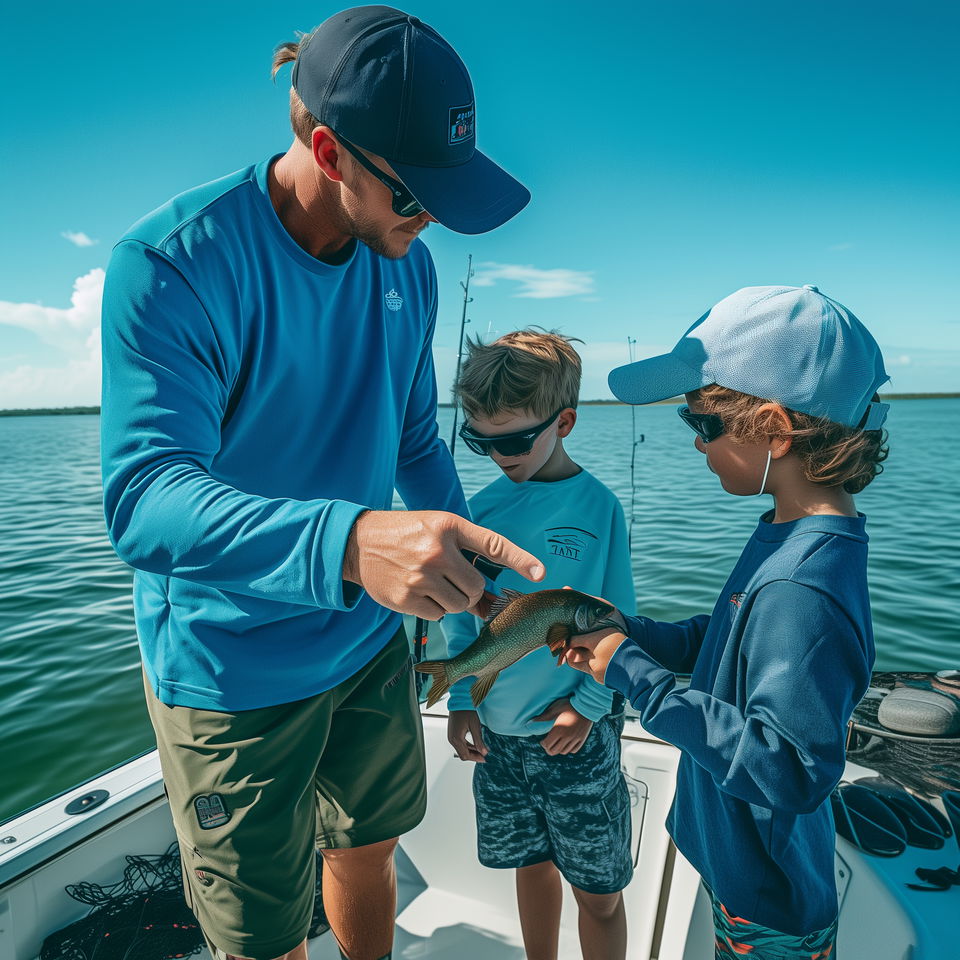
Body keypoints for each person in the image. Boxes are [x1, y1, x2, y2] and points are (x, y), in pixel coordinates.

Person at [99, 7, 544, 960]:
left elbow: (417, 446)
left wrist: (470, 583)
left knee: (370, 850)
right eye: (414, 197)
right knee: (262, 936)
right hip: (231, 667)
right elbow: (142, 497)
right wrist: (349, 543)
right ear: (331, 150)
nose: (428, 224)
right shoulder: (171, 267)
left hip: (370, 642)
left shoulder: (409, 270)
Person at [563, 284, 889, 960]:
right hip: (743, 870)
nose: (695, 445)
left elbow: (793, 770)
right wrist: (630, 632)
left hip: (766, 906)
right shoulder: (791, 531)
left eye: (700, 424)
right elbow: (726, 641)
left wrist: (635, 677)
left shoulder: (805, 583)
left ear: (773, 427)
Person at [442, 329, 637, 960]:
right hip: (498, 737)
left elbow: (619, 620)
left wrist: (584, 705)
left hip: (577, 734)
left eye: (516, 439)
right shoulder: (479, 511)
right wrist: (462, 700)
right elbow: (459, 621)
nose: (500, 456)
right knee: (531, 866)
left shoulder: (601, 509)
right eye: (481, 441)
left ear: (566, 421)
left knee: (599, 891)